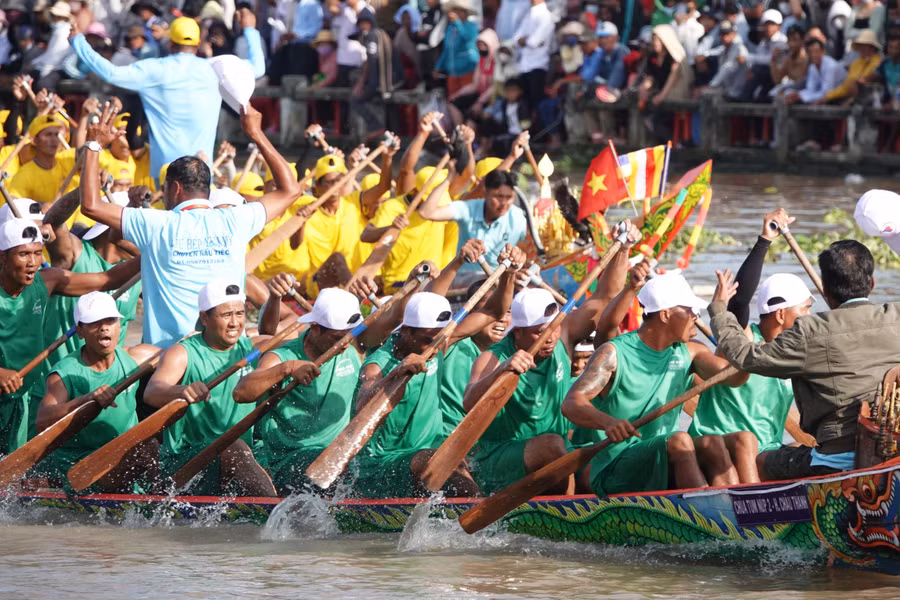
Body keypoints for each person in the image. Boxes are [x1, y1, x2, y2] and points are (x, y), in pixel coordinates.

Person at [78, 103, 301, 348]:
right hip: (226, 359)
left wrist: (94, 144)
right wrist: (256, 133)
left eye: (164, 189)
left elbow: (90, 205)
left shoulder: (157, 223)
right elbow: (291, 190)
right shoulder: (237, 219)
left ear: (175, 188)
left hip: (166, 362)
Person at [464, 223, 642, 495]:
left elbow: (606, 296)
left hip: (557, 450)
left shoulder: (564, 334)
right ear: (519, 331)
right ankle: (569, 509)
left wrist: (624, 249)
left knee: (610, 466)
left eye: (553, 328)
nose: (549, 337)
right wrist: (502, 370)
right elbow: (468, 403)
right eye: (539, 332)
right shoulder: (492, 357)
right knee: (552, 446)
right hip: (499, 456)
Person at [709, 235, 900, 479]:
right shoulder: (896, 314)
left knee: (757, 462)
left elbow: (745, 356)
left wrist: (718, 313)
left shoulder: (811, 330)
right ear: (872, 283)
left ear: (826, 291)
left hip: (834, 461)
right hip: (891, 456)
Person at [563, 270, 750, 497]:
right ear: (665, 315)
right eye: (690, 310)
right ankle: (707, 514)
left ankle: (736, 508)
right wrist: (608, 423)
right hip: (613, 465)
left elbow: (737, 377)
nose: (695, 316)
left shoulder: (691, 352)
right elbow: (572, 403)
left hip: (663, 455)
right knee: (681, 439)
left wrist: (726, 322)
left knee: (713, 444)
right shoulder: (614, 353)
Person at [353, 250, 519, 498]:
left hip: (430, 455)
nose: (436, 345)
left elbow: (495, 311)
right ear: (407, 331)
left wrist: (510, 273)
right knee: (437, 457)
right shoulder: (379, 363)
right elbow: (361, 403)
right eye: (428, 339)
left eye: (440, 338)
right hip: (380, 465)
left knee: (450, 456)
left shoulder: (437, 341)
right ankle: (478, 514)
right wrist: (395, 374)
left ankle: (476, 508)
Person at [688, 210, 812, 482]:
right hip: (719, 448)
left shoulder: (794, 354)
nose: (810, 318)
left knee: (816, 455)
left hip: (763, 451)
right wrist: (765, 240)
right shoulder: (743, 340)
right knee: (747, 441)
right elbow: (739, 303)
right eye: (805, 310)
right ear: (780, 314)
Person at [0, 217, 141, 453]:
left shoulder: (46, 281)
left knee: (12, 481)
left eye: (37, 253)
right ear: (2, 256)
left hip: (22, 398)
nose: (33, 262)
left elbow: (108, 279)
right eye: (24, 254)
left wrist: (152, 255)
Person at [69, 15, 262, 181]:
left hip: (166, 175)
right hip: (202, 172)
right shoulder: (216, 69)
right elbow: (258, 68)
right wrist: (250, 29)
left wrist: (79, 41)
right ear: (197, 44)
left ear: (170, 44)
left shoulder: (154, 69)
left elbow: (110, 73)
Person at [233, 287, 374, 494]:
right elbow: (241, 392)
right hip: (289, 459)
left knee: (358, 469)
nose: (344, 346)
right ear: (315, 327)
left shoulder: (354, 349)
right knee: (332, 467)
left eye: (348, 337)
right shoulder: (280, 356)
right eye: (336, 339)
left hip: (340, 458)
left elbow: (392, 323)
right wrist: (286, 369)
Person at [143, 279, 276, 496]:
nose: (235, 323)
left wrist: (276, 298)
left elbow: (295, 339)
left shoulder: (252, 347)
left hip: (242, 456)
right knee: (235, 447)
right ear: (204, 317)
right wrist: (180, 391)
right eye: (226, 315)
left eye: (240, 314)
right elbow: (152, 391)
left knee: (250, 451)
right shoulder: (182, 353)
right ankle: (275, 516)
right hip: (189, 461)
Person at [36, 292, 160, 492]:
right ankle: (160, 506)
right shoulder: (64, 374)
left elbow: (179, 356)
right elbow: (42, 420)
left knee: (152, 442)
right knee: (148, 447)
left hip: (125, 455)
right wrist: (85, 400)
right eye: (94, 322)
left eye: (110, 320)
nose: (104, 327)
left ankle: (156, 499)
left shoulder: (137, 357)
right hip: (81, 468)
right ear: (80, 332)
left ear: (119, 326)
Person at [42, 188, 141, 365]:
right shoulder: (75, 254)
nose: (145, 238)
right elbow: (52, 223)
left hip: (109, 386)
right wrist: (84, 189)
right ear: (114, 230)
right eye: (138, 230)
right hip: (59, 382)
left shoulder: (139, 271)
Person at [419, 168, 526, 282]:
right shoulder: (468, 208)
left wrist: (518, 259)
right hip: (463, 279)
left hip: (497, 282)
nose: (504, 203)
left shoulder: (518, 218)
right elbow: (426, 212)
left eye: (509, 197)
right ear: (485, 192)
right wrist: (449, 178)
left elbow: (526, 253)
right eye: (499, 196)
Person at [8, 114, 78, 205]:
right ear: (34, 141)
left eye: (56, 134)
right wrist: (40, 206)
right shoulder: (24, 175)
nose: (54, 139)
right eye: (48, 135)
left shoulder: (67, 159)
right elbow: (13, 204)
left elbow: (87, 153)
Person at [819, 29, 882, 104]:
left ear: (872, 47)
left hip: (872, 97)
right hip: (852, 97)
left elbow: (864, 80)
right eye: (861, 45)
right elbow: (845, 87)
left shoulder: (878, 61)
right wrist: (828, 96)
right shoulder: (855, 63)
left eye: (865, 46)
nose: (862, 48)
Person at [513, 0, 555, 110]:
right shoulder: (528, 15)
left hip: (539, 65)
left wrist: (524, 40)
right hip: (524, 66)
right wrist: (525, 41)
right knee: (524, 104)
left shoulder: (546, 16)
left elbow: (533, 41)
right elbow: (516, 40)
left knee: (536, 103)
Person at [433, 0, 479, 98]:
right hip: (452, 73)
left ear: (466, 13)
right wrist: (438, 67)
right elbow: (447, 49)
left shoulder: (472, 26)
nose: (457, 14)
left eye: (460, 11)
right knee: (452, 100)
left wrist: (458, 23)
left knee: (466, 99)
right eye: (455, 11)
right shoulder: (450, 28)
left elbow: (467, 38)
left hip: (468, 71)